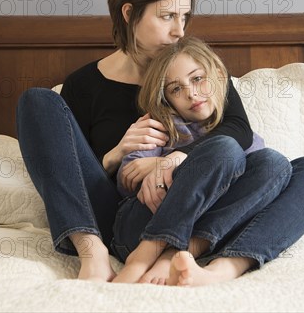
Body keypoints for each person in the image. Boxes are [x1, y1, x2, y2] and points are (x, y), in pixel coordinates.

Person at [16, 0, 304, 286]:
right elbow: (67, 167)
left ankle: (211, 266)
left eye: (184, 17)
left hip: (210, 211)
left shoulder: (201, 71)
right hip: (126, 216)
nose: (178, 31)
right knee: (36, 100)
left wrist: (173, 161)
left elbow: (237, 132)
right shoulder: (85, 85)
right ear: (129, 14)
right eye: (167, 16)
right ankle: (92, 253)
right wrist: (114, 155)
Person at [112, 36, 283, 285]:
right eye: (176, 89)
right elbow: (130, 175)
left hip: (206, 235)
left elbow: (256, 189)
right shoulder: (167, 127)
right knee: (225, 149)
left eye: (198, 79)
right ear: (167, 100)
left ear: (217, 76)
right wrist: (164, 164)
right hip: (142, 228)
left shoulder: (245, 137)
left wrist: (176, 161)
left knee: (285, 165)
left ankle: (183, 254)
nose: (192, 94)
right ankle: (147, 253)